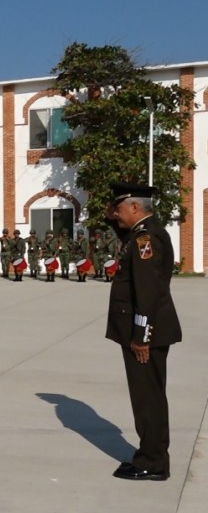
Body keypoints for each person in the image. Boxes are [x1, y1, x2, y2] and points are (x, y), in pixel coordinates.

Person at [105, 182, 181, 481]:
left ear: (135, 207)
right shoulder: (142, 233)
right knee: (147, 396)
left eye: (121, 208)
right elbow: (120, 229)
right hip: (146, 332)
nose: (117, 214)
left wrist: (141, 337)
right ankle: (148, 454)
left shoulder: (146, 239)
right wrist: (111, 216)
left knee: (148, 398)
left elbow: (147, 293)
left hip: (146, 335)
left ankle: (153, 462)